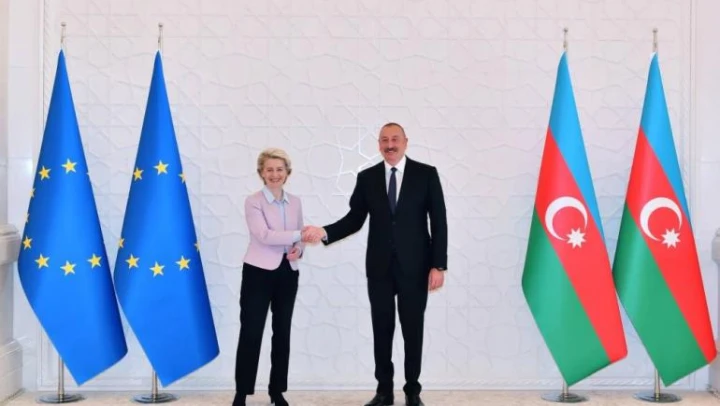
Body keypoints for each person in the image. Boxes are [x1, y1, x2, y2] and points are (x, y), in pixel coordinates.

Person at [303, 122, 448, 406]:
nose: (389, 145)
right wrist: (324, 232)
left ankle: (412, 391)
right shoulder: (367, 177)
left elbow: (439, 222)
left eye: (395, 139)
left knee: (412, 330)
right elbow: (354, 219)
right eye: (384, 140)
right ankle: (384, 391)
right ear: (379, 144)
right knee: (382, 330)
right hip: (379, 268)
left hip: (416, 268)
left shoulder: (426, 174)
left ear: (405, 142)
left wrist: (438, 265)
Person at [233, 148, 304, 406]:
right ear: (261, 173)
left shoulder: (295, 201)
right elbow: (264, 235)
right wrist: (300, 235)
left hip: (288, 272)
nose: (275, 174)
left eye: (279, 169)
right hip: (258, 272)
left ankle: (277, 391)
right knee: (251, 332)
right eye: (269, 170)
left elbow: (299, 237)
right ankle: (242, 392)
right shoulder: (253, 201)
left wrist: (299, 248)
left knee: (282, 332)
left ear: (287, 172)